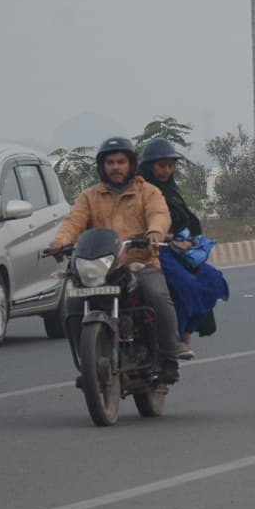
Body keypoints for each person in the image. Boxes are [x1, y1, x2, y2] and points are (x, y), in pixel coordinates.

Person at [47, 137, 181, 384]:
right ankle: (85, 363)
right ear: (102, 166)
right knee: (73, 305)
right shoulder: (89, 196)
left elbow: (159, 215)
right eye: (110, 162)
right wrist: (59, 242)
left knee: (157, 296)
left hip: (139, 263)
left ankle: (168, 359)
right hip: (101, 269)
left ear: (131, 164)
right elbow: (73, 222)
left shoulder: (148, 192)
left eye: (121, 161)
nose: (116, 167)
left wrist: (154, 233)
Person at [138, 138, 230, 360]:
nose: (166, 171)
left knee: (212, 280)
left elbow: (188, 222)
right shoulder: (142, 191)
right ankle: (175, 339)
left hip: (179, 251)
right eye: (161, 165)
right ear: (149, 166)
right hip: (153, 251)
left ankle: (187, 330)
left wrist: (187, 240)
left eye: (170, 166)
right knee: (186, 285)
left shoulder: (172, 192)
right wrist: (163, 235)